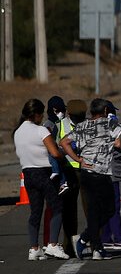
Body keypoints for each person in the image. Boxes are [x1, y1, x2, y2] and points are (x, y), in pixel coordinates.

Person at [62, 98, 121, 260]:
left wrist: (78, 159)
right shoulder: (109, 125)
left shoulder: (82, 126)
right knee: (109, 210)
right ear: (106, 111)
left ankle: (96, 249)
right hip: (102, 174)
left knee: (94, 211)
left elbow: (63, 142)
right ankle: (85, 238)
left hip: (86, 174)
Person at [13, 99, 70, 260]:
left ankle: (34, 248)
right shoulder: (41, 131)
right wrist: (66, 152)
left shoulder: (17, 132)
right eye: (42, 113)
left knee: (35, 211)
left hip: (28, 174)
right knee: (57, 206)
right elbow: (55, 153)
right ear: (37, 114)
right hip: (43, 173)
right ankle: (52, 244)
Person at [100, 101, 121, 251]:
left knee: (105, 207)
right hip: (111, 171)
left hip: (100, 170)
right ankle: (119, 238)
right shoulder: (111, 124)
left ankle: (106, 238)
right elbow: (117, 144)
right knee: (114, 207)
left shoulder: (94, 125)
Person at [58, 99, 87, 256]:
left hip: (85, 171)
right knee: (69, 210)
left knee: (91, 208)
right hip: (69, 171)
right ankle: (68, 245)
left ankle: (94, 242)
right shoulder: (61, 125)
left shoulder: (87, 124)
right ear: (68, 114)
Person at [42, 96, 69, 195]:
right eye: (58, 111)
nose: (61, 113)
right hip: (54, 161)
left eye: (63, 110)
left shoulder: (65, 122)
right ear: (52, 111)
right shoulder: (47, 125)